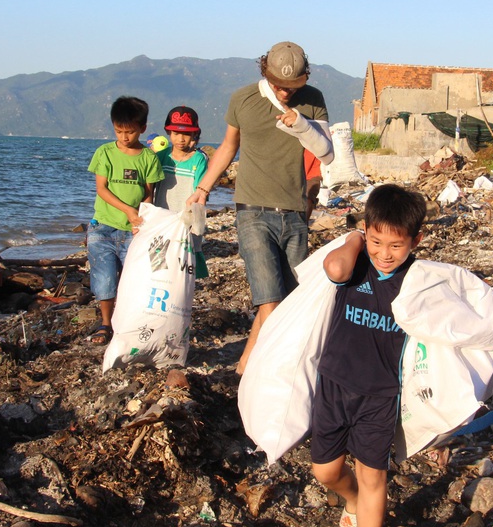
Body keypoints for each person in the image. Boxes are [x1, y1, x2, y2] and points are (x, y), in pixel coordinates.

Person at [188, 41, 333, 374]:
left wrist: (302, 125)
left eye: (293, 87)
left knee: (290, 301)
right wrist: (203, 189)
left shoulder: (313, 100)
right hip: (252, 210)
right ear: (264, 72)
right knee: (269, 298)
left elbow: (327, 152)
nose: (285, 93)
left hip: (296, 212)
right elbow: (228, 147)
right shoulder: (243, 98)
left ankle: (260, 368)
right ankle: (245, 370)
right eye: (280, 86)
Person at [311, 183, 425, 527]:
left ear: (415, 241)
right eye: (377, 241)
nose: (385, 254)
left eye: (396, 245)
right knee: (325, 471)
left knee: (374, 475)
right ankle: (352, 499)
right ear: (366, 232)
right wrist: (354, 240)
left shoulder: (417, 280)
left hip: (380, 394)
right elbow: (334, 268)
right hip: (334, 383)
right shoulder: (357, 262)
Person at [86, 96, 164, 345]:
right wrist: (128, 210)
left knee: (133, 279)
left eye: (129, 132)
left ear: (142, 128)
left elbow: (148, 192)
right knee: (104, 278)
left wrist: (140, 217)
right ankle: (105, 323)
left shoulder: (148, 158)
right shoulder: (105, 153)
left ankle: (128, 321)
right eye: (118, 131)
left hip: (133, 231)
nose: (123, 137)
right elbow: (102, 189)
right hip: (103, 227)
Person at [153, 105, 209, 278]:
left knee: (184, 264)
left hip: (186, 219)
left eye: (186, 134)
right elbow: (151, 187)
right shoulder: (162, 157)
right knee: (160, 263)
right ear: (168, 133)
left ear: (194, 134)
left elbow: (200, 192)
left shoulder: (199, 159)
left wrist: (194, 221)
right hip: (163, 217)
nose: (181, 139)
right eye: (176, 133)